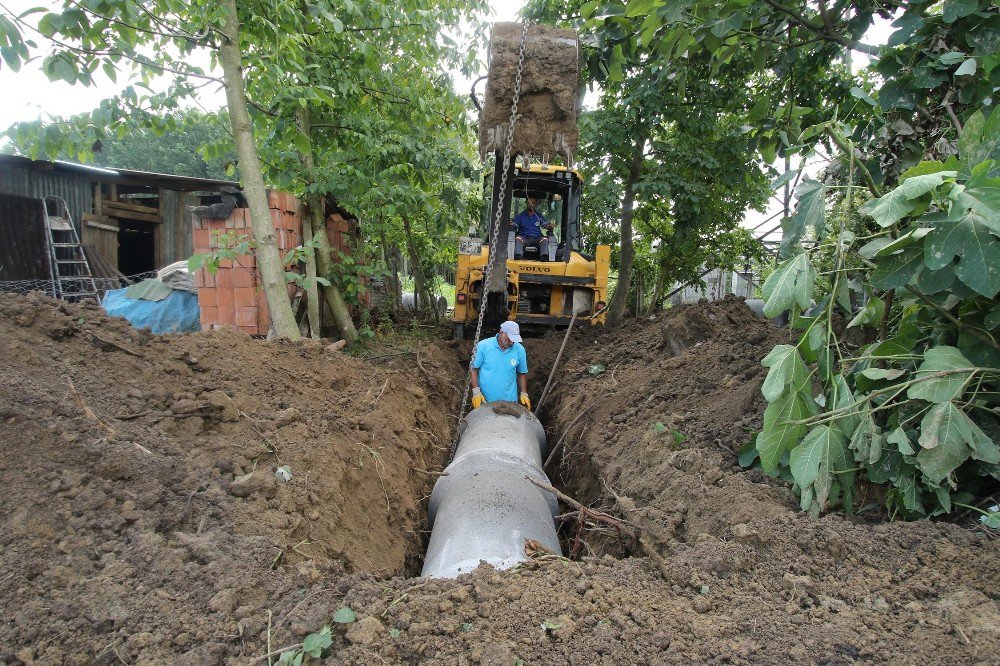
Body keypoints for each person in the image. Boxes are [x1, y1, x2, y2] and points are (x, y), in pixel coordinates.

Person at [470, 320, 531, 410]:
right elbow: (473, 369)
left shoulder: (519, 350)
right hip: (485, 401)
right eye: (509, 339)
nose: (512, 342)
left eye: (514, 340)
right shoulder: (483, 346)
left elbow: (521, 374)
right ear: (501, 333)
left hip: (510, 403)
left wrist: (523, 393)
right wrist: (476, 392)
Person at [513, 195, 554, 261]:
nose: (531, 204)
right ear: (526, 203)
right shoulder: (520, 216)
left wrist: (550, 226)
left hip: (537, 239)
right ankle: (518, 257)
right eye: (529, 202)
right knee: (518, 238)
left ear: (536, 204)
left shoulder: (539, 216)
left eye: (533, 202)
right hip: (524, 239)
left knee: (544, 239)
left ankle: (543, 257)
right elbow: (514, 225)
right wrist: (511, 224)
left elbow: (546, 225)